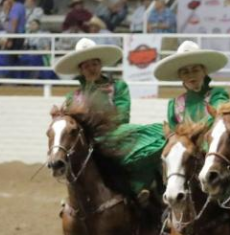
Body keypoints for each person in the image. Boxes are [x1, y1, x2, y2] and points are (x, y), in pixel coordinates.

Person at [53, 37, 166, 205]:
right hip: (86, 141)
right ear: (80, 69)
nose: (91, 68)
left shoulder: (118, 87)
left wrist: (92, 120)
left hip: (114, 134)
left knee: (160, 134)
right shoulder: (72, 97)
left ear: (100, 65)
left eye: (94, 64)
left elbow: (122, 116)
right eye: (86, 65)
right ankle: (75, 197)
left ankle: (142, 186)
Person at [154, 41, 230, 130]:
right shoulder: (174, 105)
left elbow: (221, 110)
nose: (191, 75)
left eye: (195, 70)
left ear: (204, 71)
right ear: (180, 76)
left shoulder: (217, 94)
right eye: (185, 72)